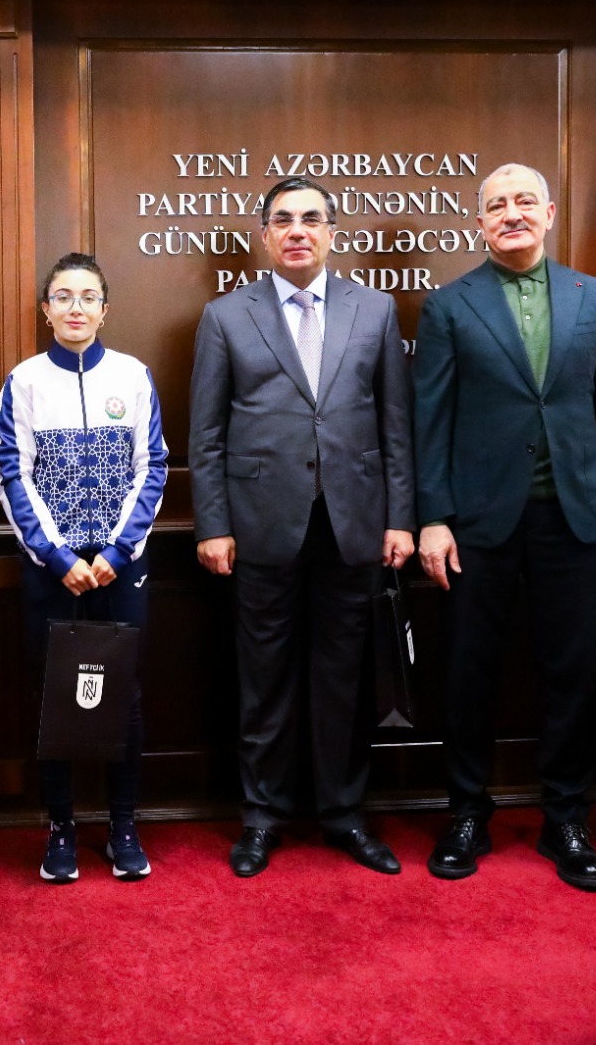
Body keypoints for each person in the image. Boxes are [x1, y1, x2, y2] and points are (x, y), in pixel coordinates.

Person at [412, 162, 596, 892]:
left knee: (572, 672)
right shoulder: (449, 305)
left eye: (523, 202)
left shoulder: (594, 297)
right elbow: (430, 419)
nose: (511, 213)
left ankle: (565, 819)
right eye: (496, 205)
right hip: (478, 521)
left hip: (575, 515)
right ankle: (466, 813)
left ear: (549, 213)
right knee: (468, 671)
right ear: (479, 223)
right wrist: (432, 518)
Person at [190, 176, 415, 878]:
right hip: (261, 527)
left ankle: (344, 815)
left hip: (354, 525)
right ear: (264, 236)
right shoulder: (225, 316)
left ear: (331, 233)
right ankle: (262, 818)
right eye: (283, 220)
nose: (297, 231)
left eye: (311, 219)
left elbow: (395, 425)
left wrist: (400, 518)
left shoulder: (374, 309)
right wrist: (212, 524)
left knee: (345, 680)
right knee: (265, 681)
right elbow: (206, 434)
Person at [0, 252, 168, 883]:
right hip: (52, 570)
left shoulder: (133, 375)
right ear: (47, 309)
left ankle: (123, 824)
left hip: (122, 568)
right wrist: (58, 556)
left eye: (88, 297)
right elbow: (13, 473)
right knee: (53, 697)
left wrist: (117, 553)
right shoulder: (24, 381)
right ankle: (61, 827)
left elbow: (152, 466)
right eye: (63, 297)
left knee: (127, 696)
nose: (76, 308)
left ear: (104, 309)